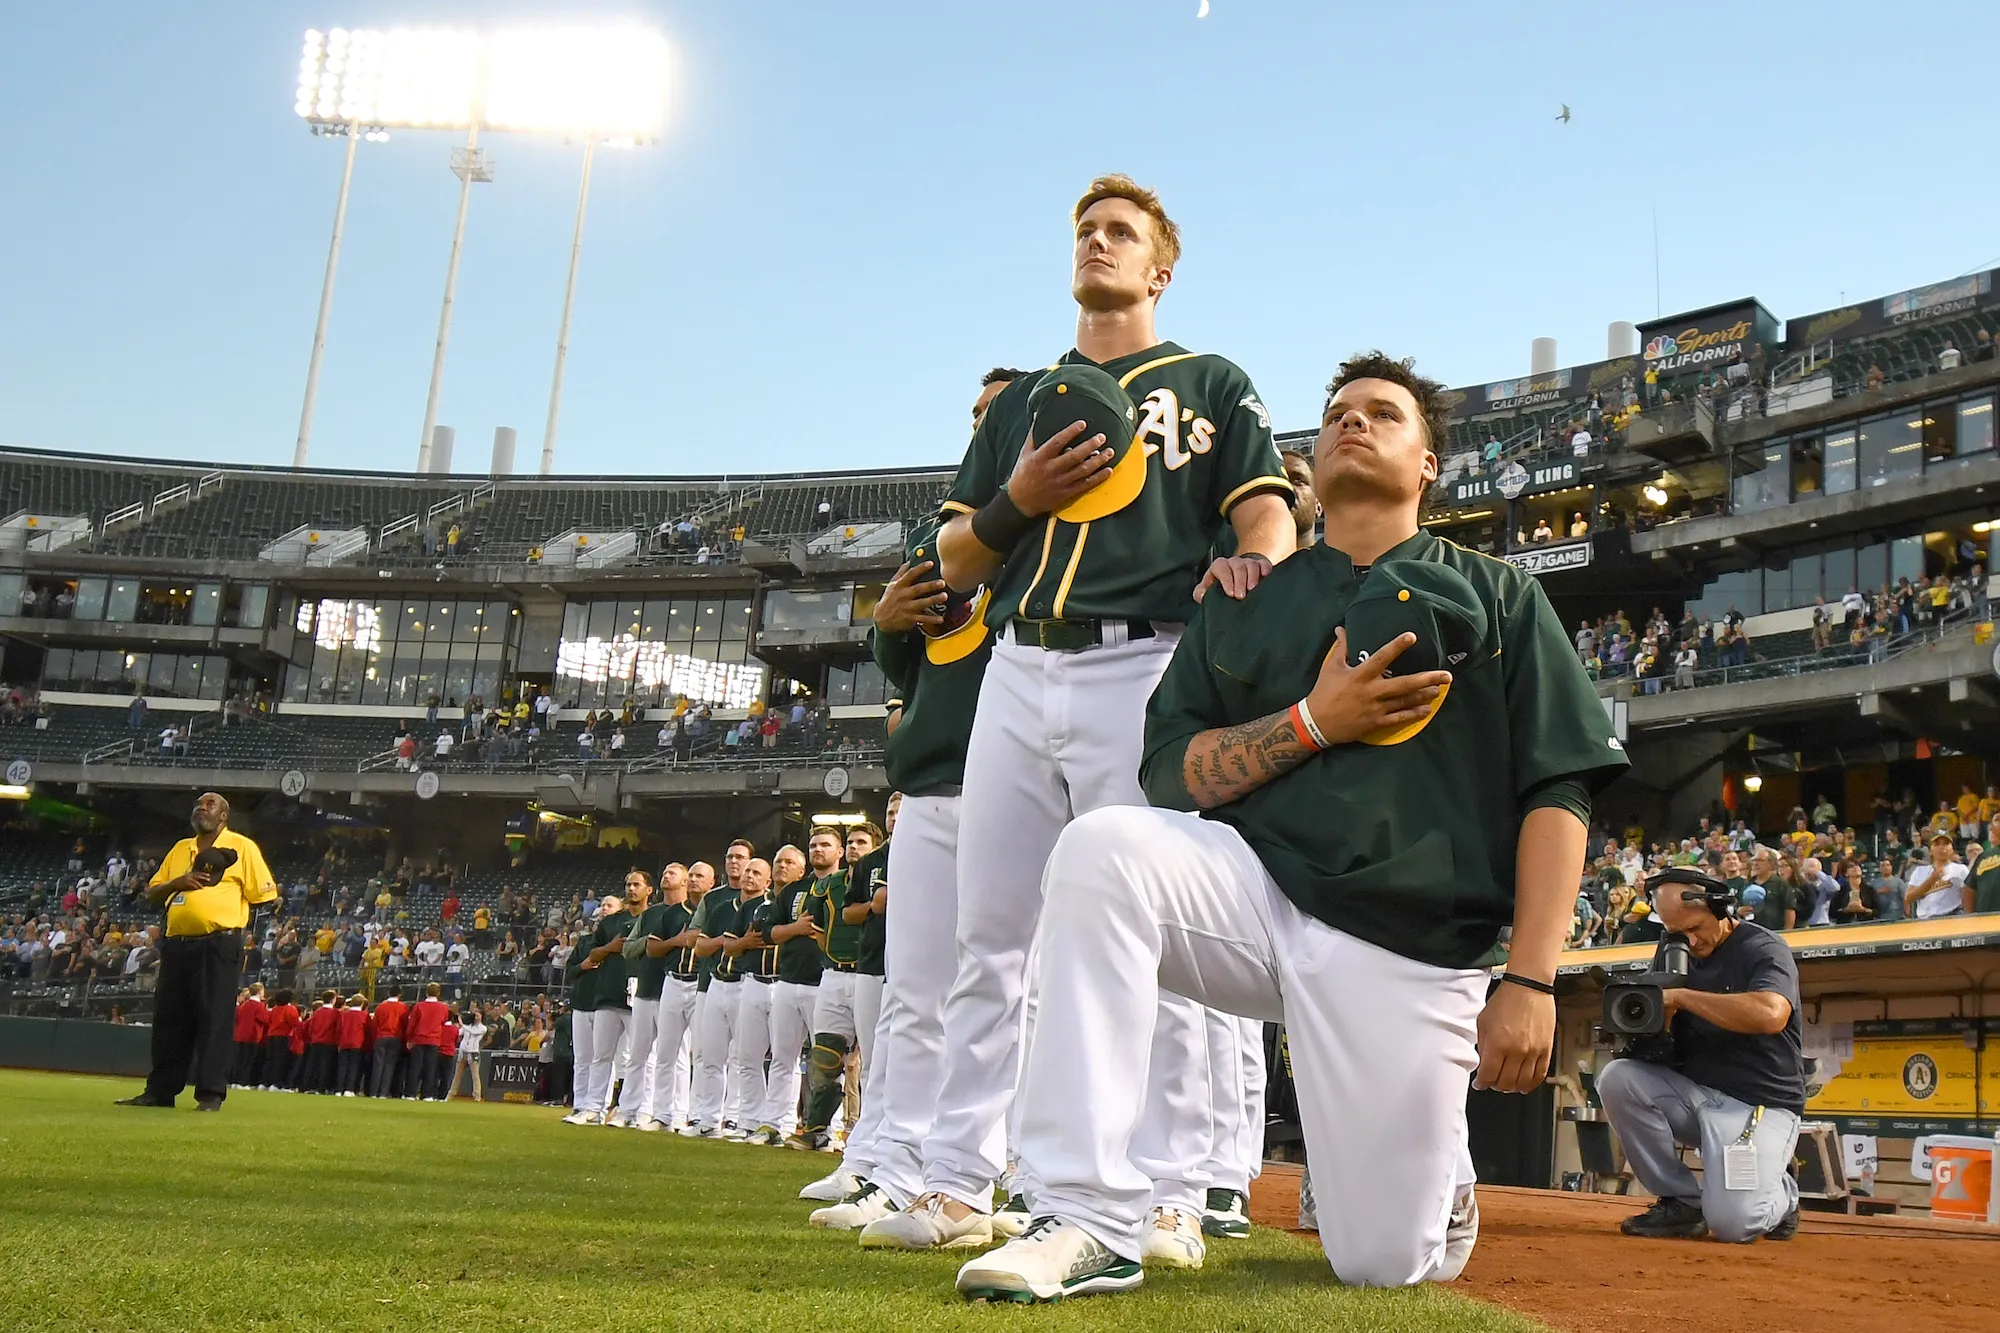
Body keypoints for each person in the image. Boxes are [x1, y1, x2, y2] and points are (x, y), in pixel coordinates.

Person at [953, 352, 1626, 1301]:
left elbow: (1560, 790)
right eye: (1339, 412)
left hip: (1410, 944)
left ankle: (1437, 1179)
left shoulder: (1501, 593)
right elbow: (1170, 771)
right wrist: (1315, 721)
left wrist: (1532, 978)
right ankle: (1085, 1212)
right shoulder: (1247, 593)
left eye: (1385, 414)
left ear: (1429, 463)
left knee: (1380, 1260)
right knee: (1104, 847)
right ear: (1308, 458)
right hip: (1257, 900)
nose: (1355, 421)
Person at [863, 174, 1296, 1261]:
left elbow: (1263, 508)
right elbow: (955, 552)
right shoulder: (1024, 399)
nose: (1097, 244)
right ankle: (959, 1178)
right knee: (989, 938)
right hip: (1018, 659)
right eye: (1084, 231)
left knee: (1154, 934)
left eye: (1120, 234)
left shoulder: (1208, 380)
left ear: (1158, 269)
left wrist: (1255, 562)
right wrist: (1021, 501)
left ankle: (1170, 1189)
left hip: (1144, 660)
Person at [1598, 871, 1804, 1244]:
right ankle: (1682, 1201)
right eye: (1677, 932)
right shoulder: (1672, 949)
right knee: (1617, 1077)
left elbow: (1771, 1014)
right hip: (1696, 1096)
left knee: (1734, 1226)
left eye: (1695, 928)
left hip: (1759, 1105)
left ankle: (1783, 1194)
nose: (1689, 941)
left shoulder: (1763, 947)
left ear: (1721, 908)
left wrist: (1681, 998)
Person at [118, 792, 277, 1111]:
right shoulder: (180, 849)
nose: (201, 807)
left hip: (218, 942)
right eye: (198, 804)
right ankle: (160, 1091)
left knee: (215, 1019)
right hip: (176, 944)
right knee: (169, 1021)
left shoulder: (243, 846)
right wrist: (178, 882)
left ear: (223, 817)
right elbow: (151, 894)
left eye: (210, 804)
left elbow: (264, 895)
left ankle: (210, 1093)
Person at [623, 863, 702, 1131]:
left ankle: (675, 1112)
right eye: (665, 871)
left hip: (680, 984)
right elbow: (631, 947)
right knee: (639, 1054)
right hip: (648, 986)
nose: (667, 875)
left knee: (678, 1055)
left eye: (674, 872)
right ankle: (633, 1109)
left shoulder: (701, 912)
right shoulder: (652, 914)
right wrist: (665, 941)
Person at [683, 843, 753, 1136]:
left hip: (747, 981)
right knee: (706, 1053)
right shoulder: (715, 900)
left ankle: (736, 1116)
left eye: (741, 858)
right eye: (730, 857)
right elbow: (694, 941)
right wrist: (727, 941)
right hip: (711, 980)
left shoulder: (766, 901)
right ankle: (705, 1116)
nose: (735, 862)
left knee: (742, 1055)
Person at [762, 841, 825, 1145]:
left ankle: (826, 1127)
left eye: (825, 845)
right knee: (782, 1056)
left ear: (838, 852)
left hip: (824, 980)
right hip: (788, 980)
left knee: (826, 1058)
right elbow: (770, 932)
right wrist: (797, 928)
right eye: (813, 845)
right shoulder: (793, 891)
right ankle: (778, 1123)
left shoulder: (841, 885)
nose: (818, 850)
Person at [567, 881, 645, 1125]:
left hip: (633, 995)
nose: (603, 909)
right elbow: (585, 959)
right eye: (601, 905)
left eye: (608, 904)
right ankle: (588, 1107)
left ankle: (631, 1109)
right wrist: (603, 952)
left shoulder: (647, 918)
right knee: (594, 1057)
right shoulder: (598, 932)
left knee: (633, 1057)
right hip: (598, 998)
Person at [402, 982, 450, 1101]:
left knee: (415, 1068)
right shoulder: (443, 1007)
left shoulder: (419, 1006)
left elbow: (412, 1024)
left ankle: (410, 1093)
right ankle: (427, 1094)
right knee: (430, 1068)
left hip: (419, 1040)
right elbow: (443, 1022)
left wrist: (409, 1039)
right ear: (438, 993)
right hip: (434, 1041)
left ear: (426, 992)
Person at [1906, 833, 1967, 919]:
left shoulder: (1961, 869)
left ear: (1952, 849)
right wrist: (1931, 880)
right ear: (1930, 851)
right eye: (1937, 844)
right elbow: (1909, 898)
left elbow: (1968, 899)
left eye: (1946, 843)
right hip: (1925, 920)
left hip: (1953, 917)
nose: (1942, 847)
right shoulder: (1920, 871)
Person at [370, 989, 408, 1098]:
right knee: (389, 1066)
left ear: (388, 993)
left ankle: (373, 1092)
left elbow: (374, 1024)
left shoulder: (381, 1006)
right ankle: (383, 1092)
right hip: (395, 1038)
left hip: (381, 1037)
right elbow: (405, 1024)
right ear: (399, 994)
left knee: (377, 1066)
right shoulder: (403, 1007)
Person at [259, 990, 300, 1090]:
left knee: (269, 1060)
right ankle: (276, 1083)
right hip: (283, 1036)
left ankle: (264, 1083)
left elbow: (269, 1021)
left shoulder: (275, 1009)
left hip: (271, 1035)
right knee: (280, 1061)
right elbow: (294, 1023)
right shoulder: (290, 1009)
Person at [230, 983, 268, 1088]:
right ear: (260, 992)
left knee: (239, 1060)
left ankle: (235, 1081)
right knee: (248, 1061)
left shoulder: (244, 1004)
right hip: (252, 1035)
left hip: (240, 1035)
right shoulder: (259, 1005)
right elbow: (265, 1019)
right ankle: (243, 1082)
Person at [334, 990, 369, 1096]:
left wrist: (338, 1042)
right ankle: (349, 1089)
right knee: (353, 1067)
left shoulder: (344, 1015)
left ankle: (339, 1089)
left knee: (342, 1067)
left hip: (344, 1043)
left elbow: (338, 1030)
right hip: (357, 1044)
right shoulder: (364, 1015)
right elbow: (368, 1031)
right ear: (362, 1003)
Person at [450, 1006, 488, 1100]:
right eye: (475, 1015)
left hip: (473, 1053)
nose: (476, 1017)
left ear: (482, 1017)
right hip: (463, 1052)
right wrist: (454, 1025)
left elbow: (473, 1032)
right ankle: (451, 1094)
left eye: (478, 1016)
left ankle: (477, 1096)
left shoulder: (483, 1028)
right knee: (457, 1075)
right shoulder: (468, 1026)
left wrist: (462, 1024)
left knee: (475, 1076)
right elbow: (458, 1033)